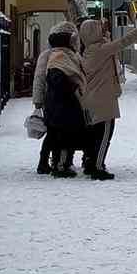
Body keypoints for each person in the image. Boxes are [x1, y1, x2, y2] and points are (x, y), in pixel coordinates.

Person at [78, 16, 137, 179]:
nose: (103, 29)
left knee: (95, 136)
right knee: (104, 136)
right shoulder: (101, 50)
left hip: (93, 98)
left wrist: (106, 37)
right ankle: (97, 167)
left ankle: (91, 163)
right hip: (103, 99)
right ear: (94, 33)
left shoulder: (89, 50)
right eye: (99, 28)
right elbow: (124, 42)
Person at [32, 22, 79, 174]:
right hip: (58, 98)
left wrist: (38, 100)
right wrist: (38, 101)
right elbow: (40, 77)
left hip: (49, 99)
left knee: (52, 132)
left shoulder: (47, 54)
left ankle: (46, 162)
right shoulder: (66, 55)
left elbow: (39, 78)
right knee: (59, 132)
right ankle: (57, 162)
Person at [43, 25, 87, 177]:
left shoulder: (67, 55)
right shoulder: (60, 56)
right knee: (63, 137)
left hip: (63, 104)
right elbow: (56, 79)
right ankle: (61, 166)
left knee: (65, 135)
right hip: (62, 105)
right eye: (72, 40)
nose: (75, 43)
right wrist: (73, 87)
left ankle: (63, 163)